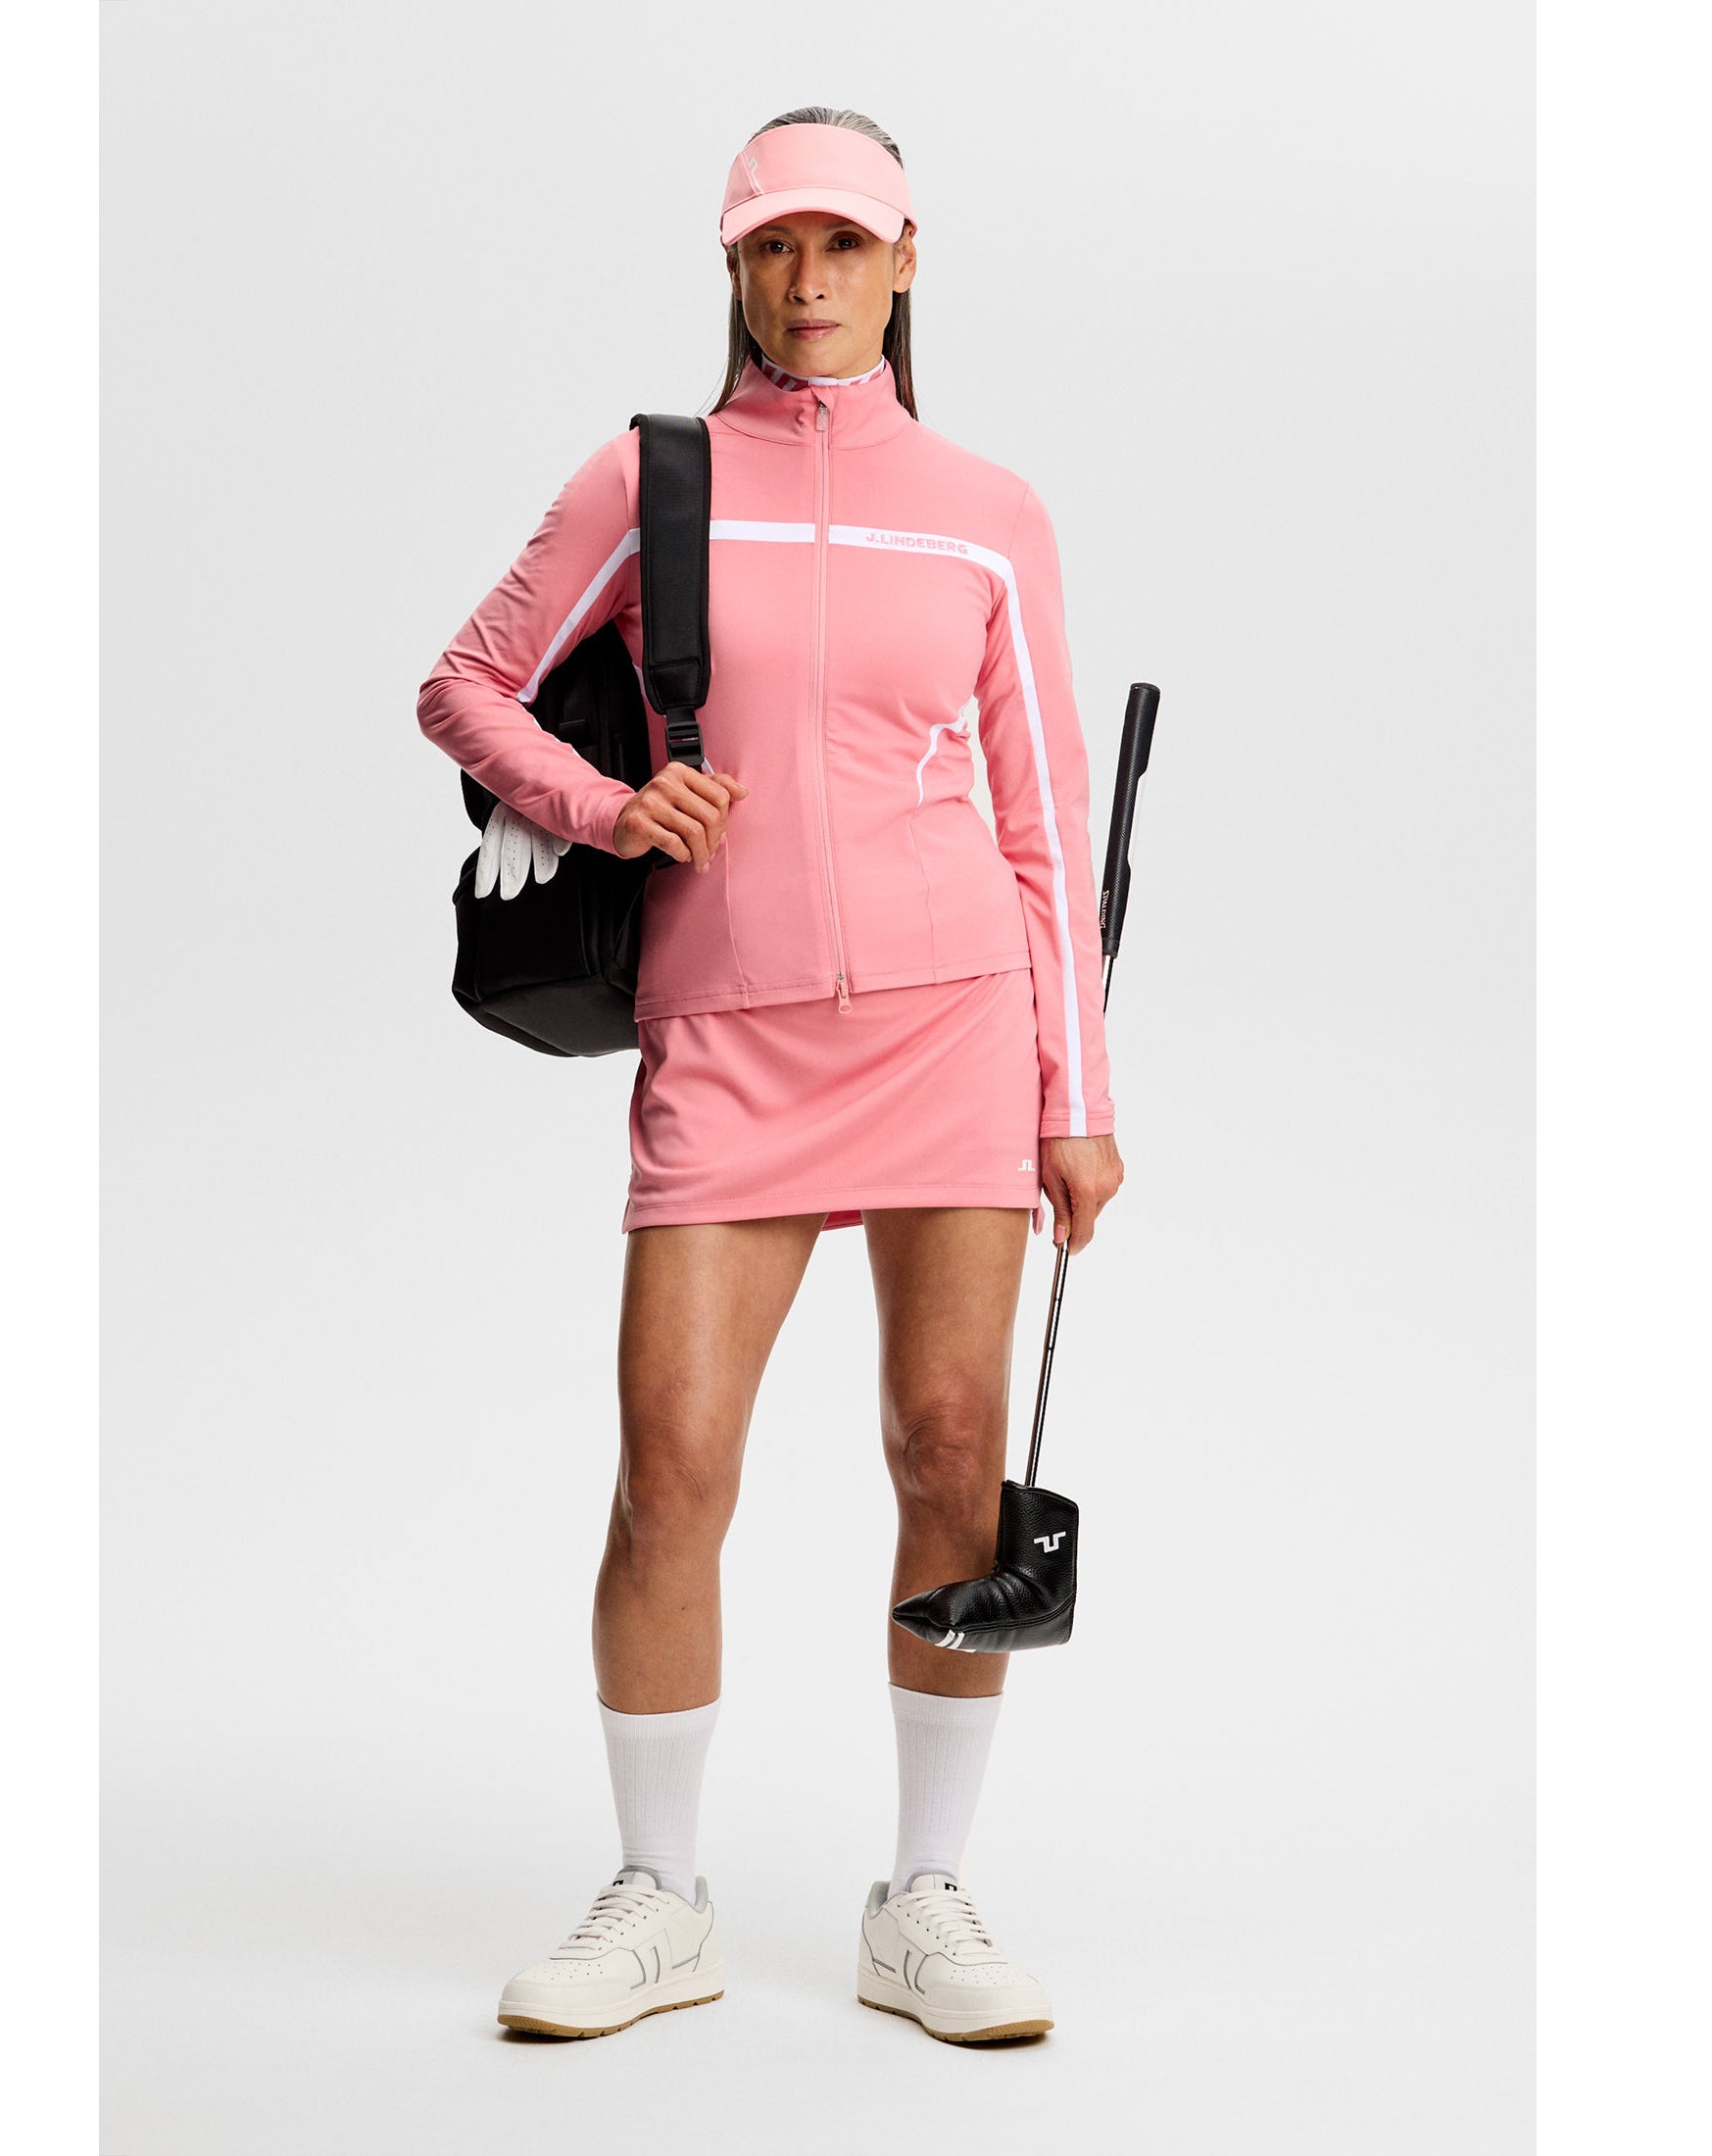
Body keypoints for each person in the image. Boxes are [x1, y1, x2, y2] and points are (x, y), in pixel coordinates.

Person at [416, 106, 1124, 2044]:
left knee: (948, 1451)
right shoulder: (648, 480)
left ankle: (925, 1895)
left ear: (906, 262)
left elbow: (1044, 816)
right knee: (671, 1465)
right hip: (726, 1036)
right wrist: (604, 804)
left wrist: (1074, 1088)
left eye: (844, 243)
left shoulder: (986, 509)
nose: (808, 280)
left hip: (952, 1023)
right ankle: (659, 1895)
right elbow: (464, 683)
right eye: (771, 246)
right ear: (732, 264)